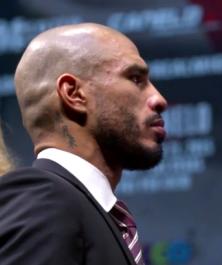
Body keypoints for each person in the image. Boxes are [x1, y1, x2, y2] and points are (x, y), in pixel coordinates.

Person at [0, 23, 167, 265]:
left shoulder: (95, 215)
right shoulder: (43, 197)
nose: (159, 99)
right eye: (135, 78)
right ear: (74, 94)